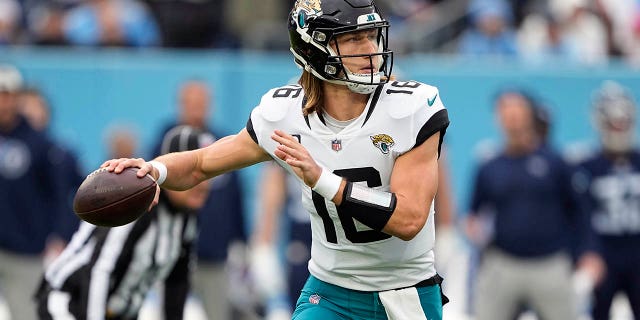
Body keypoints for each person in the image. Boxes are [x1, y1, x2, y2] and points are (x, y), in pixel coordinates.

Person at [102, 0, 451, 319]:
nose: (371, 50)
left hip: (406, 294)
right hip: (330, 292)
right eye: (353, 39)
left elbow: (408, 220)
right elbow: (201, 164)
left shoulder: (411, 107)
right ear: (314, 49)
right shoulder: (285, 113)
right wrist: (153, 170)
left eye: (372, 36)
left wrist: (322, 179)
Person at [35, 125, 213, 320]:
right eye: (194, 174)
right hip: (71, 301)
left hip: (117, 312)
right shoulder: (136, 202)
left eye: (208, 175)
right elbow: (99, 271)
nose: (203, 184)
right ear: (175, 169)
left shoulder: (187, 218)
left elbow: (176, 284)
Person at [465, 88, 604, 320]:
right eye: (505, 110)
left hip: (550, 263)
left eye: (516, 108)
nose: (511, 116)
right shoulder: (489, 166)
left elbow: (581, 212)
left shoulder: (556, 163)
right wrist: (473, 231)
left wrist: (589, 252)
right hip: (503, 262)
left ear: (530, 113)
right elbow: (474, 213)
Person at [151, 79, 249, 320]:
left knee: (218, 313)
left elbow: (234, 195)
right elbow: (150, 187)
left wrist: (240, 240)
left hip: (213, 250)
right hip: (170, 248)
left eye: (201, 103)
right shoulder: (166, 140)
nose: (197, 109)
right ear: (180, 104)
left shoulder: (222, 141)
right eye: (191, 103)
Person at [0, 64, 69, 320]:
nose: (3, 102)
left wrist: (58, 233)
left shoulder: (39, 143)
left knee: (26, 315)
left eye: (7, 95)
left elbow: (58, 193)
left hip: (25, 248)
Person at [571, 81, 640, 320]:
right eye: (614, 122)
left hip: (637, 250)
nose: (619, 128)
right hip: (602, 253)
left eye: (623, 122)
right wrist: (584, 252)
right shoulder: (585, 166)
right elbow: (579, 216)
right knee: (599, 313)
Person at [250, 162, 312, 320]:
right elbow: (272, 198)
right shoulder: (293, 143)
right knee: (299, 296)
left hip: (334, 232)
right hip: (301, 233)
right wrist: (263, 244)